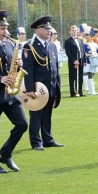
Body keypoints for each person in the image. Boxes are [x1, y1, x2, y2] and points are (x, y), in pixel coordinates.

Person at [0, 11, 29, 173]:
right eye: (2, 29)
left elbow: (12, 68)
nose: (6, 32)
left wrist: (18, 64)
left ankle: (6, 153)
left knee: (22, 124)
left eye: (6, 28)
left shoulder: (9, 44)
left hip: (10, 95)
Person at [23, 16, 64, 150]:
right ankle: (36, 141)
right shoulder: (29, 46)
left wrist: (58, 83)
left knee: (47, 114)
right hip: (37, 87)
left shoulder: (52, 45)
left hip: (50, 86)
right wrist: (29, 88)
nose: (49, 31)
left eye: (49, 29)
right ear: (38, 30)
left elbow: (55, 67)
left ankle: (47, 139)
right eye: (46, 29)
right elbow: (28, 69)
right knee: (36, 115)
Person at [64, 25, 85, 97]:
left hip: (80, 61)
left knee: (80, 78)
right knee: (72, 78)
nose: (74, 32)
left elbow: (82, 51)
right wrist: (73, 60)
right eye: (73, 30)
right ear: (70, 32)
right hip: (73, 62)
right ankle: (72, 93)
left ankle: (80, 92)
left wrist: (84, 60)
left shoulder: (80, 40)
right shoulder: (68, 41)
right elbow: (68, 53)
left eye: (75, 30)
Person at [82, 25, 98, 95]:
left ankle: (91, 90)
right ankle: (91, 90)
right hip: (88, 60)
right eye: (85, 35)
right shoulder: (84, 44)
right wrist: (88, 55)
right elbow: (83, 52)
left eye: (88, 35)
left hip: (94, 59)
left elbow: (97, 50)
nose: (86, 36)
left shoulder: (94, 43)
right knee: (89, 74)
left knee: (92, 74)